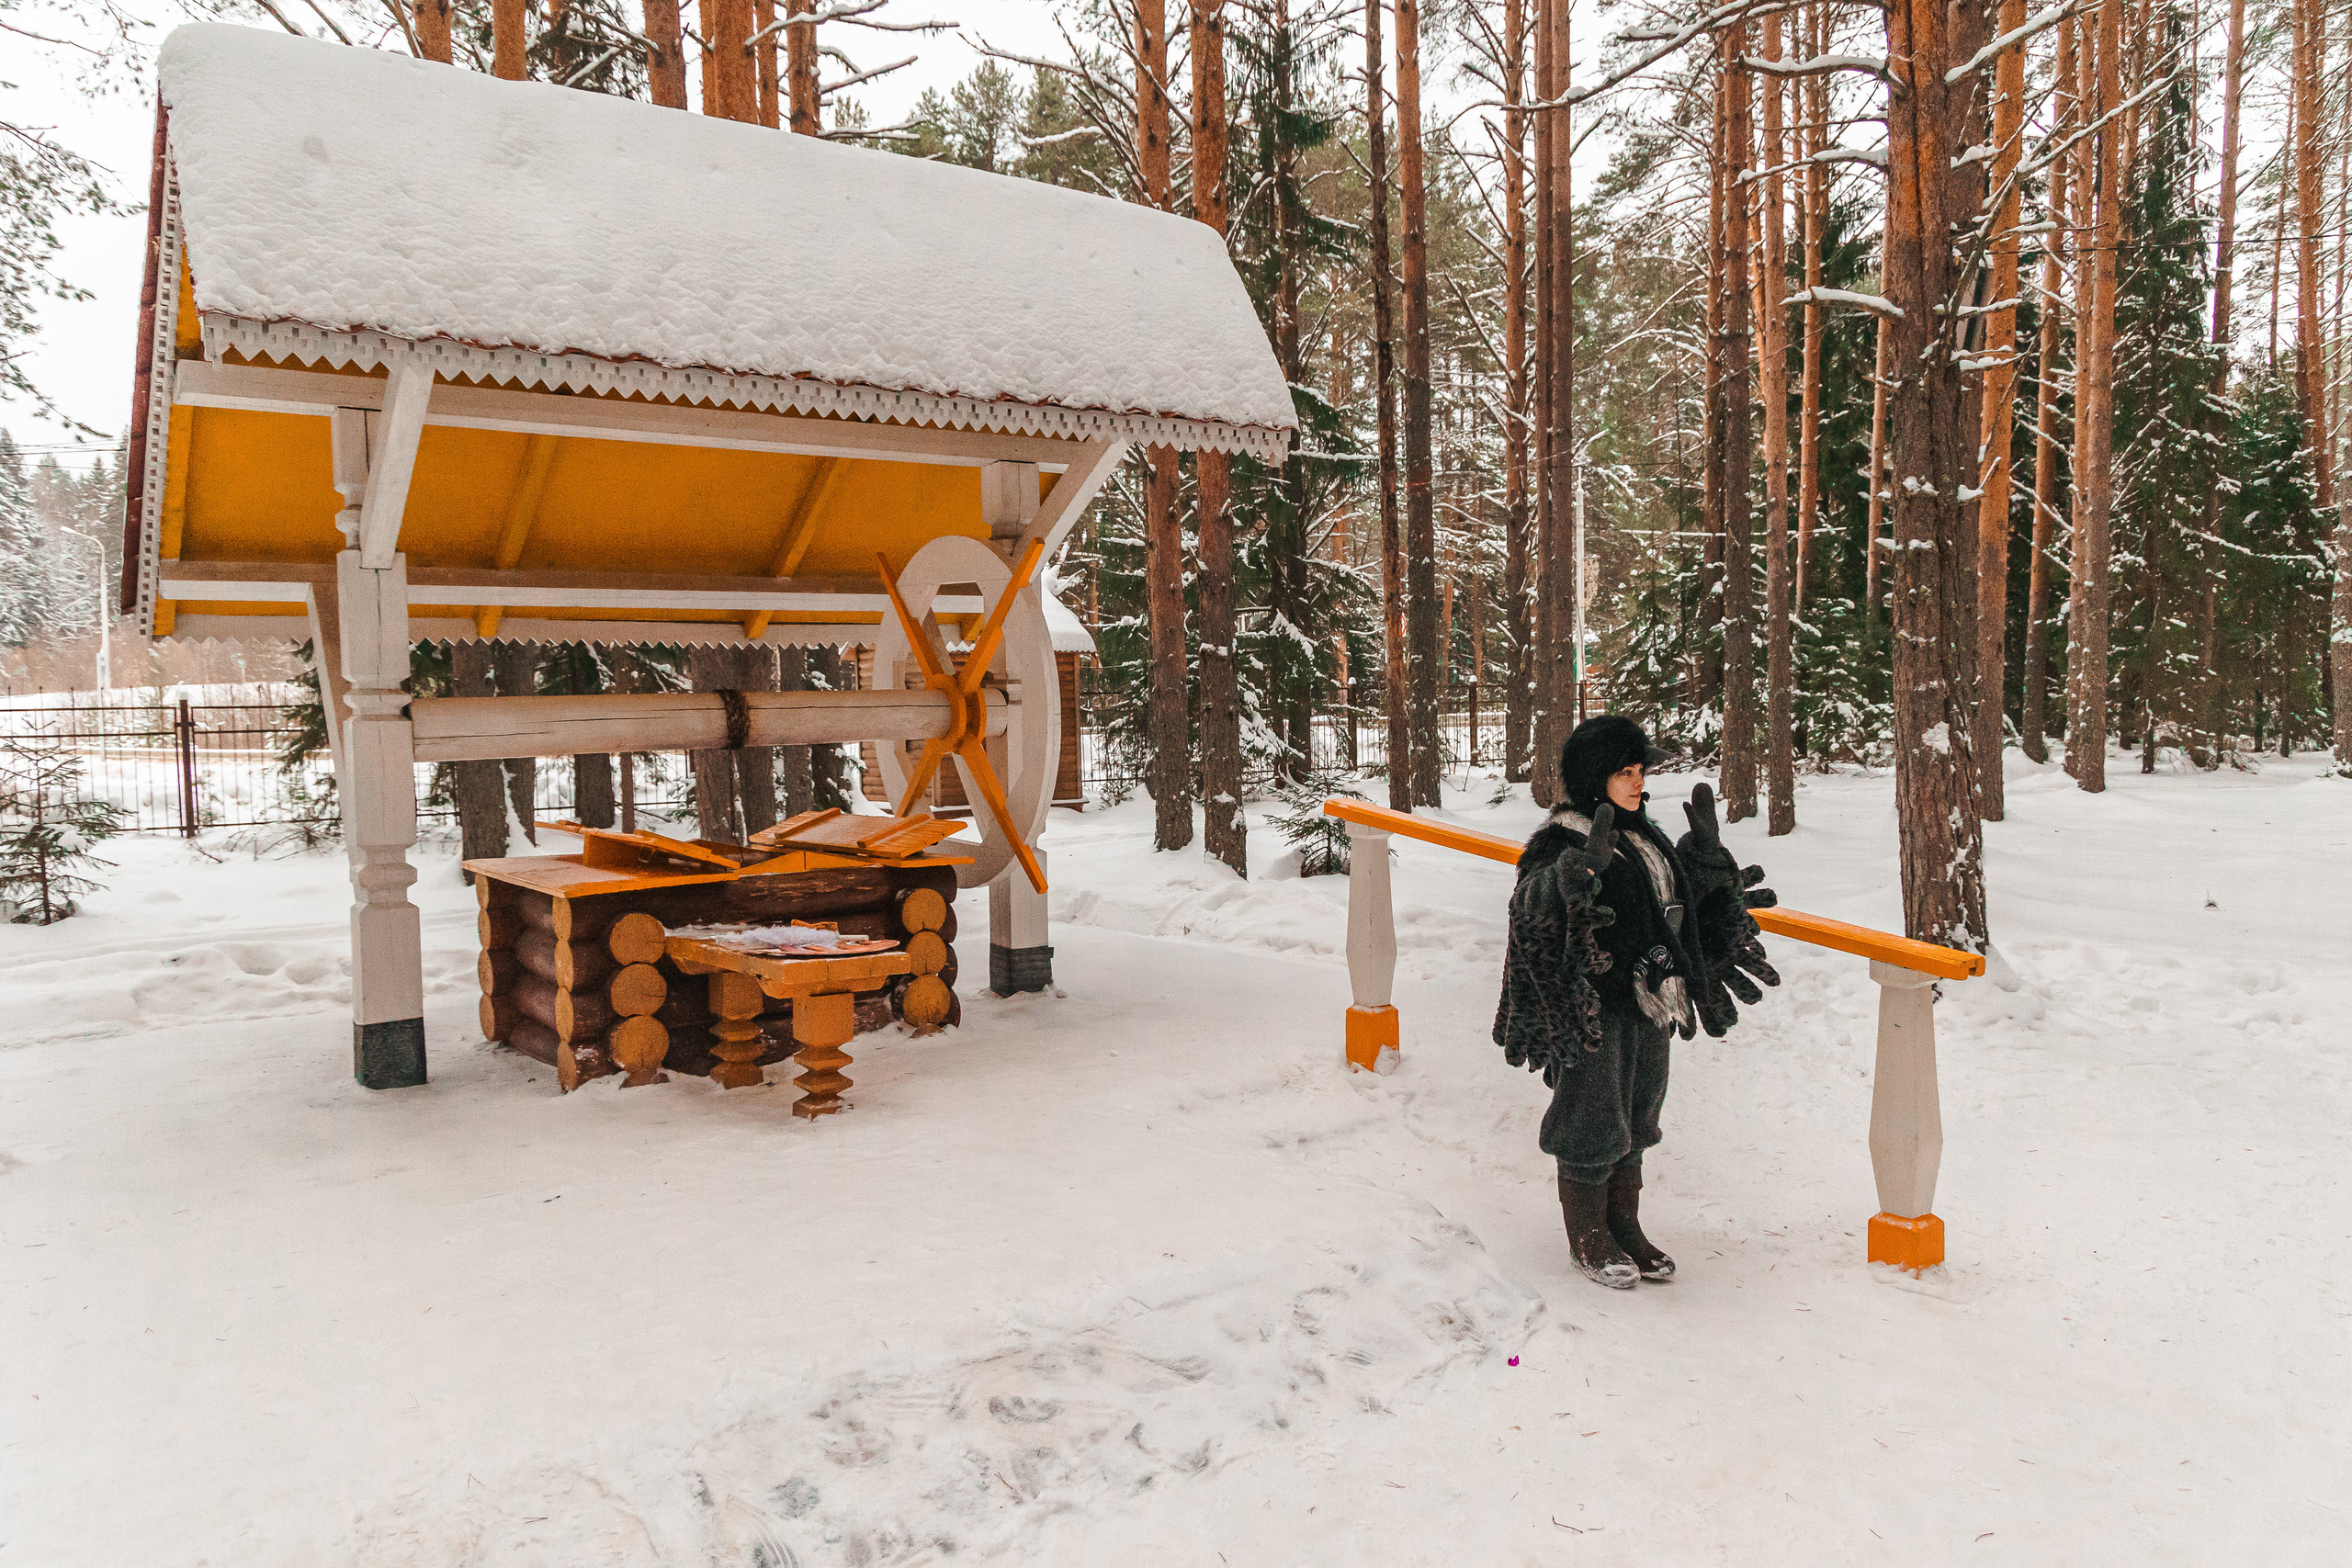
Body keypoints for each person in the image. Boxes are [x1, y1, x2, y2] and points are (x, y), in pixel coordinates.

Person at [1492, 716, 1781, 1289]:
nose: (1637, 782)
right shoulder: (1563, 840)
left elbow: (1673, 909)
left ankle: (1625, 1224)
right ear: (1594, 777)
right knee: (1593, 1115)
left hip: (1649, 998)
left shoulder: (1646, 838)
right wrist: (1577, 873)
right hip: (1592, 1007)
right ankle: (1589, 1236)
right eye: (1625, 771)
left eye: (1641, 770)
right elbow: (1530, 907)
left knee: (1641, 1108)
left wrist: (1702, 859)